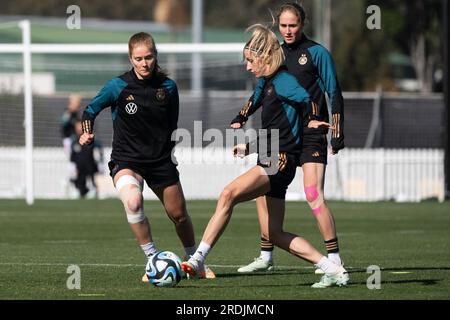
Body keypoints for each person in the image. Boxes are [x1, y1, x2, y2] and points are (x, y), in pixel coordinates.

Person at [181, 24, 348, 288]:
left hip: (278, 160)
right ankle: (333, 268)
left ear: (264, 57)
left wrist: (315, 119)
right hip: (272, 155)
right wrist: (249, 146)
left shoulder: (282, 81)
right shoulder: (270, 83)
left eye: (250, 61)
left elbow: (309, 99)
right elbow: (277, 128)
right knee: (274, 233)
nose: (248, 67)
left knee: (228, 194)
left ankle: (198, 258)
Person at [78, 32, 214, 280]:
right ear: (131, 58)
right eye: (138, 58)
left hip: (160, 161)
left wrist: (168, 155)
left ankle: (195, 261)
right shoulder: (117, 86)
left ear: (156, 56)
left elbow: (171, 125)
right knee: (133, 202)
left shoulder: (168, 87)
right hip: (126, 160)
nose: (144, 63)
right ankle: (153, 261)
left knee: (179, 215)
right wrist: (86, 133)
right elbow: (89, 110)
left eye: (148, 57)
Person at [231, 2, 345, 275]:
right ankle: (266, 255)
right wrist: (242, 116)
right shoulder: (274, 53)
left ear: (302, 24)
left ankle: (335, 258)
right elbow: (260, 90)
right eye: (283, 26)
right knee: (264, 187)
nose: (288, 30)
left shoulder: (317, 53)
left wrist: (337, 134)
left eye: (293, 25)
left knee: (312, 193)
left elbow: (334, 92)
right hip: (283, 135)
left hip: (312, 131)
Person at [70, 120, 104, 198]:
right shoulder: (74, 140)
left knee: (92, 182)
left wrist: (100, 163)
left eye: (80, 126)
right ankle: (81, 191)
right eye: (77, 126)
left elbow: (98, 150)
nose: (78, 128)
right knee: (80, 184)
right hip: (79, 168)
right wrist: (72, 166)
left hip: (90, 166)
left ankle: (93, 191)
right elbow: (73, 155)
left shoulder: (90, 138)